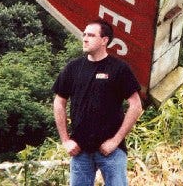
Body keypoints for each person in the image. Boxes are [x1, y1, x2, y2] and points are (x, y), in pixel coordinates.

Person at [53, 18, 143, 186]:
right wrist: (66, 140)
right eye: (84, 34)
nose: (85, 38)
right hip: (80, 151)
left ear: (104, 40)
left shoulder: (119, 68)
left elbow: (136, 105)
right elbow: (59, 102)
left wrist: (115, 141)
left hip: (111, 152)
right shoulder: (73, 68)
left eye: (91, 35)